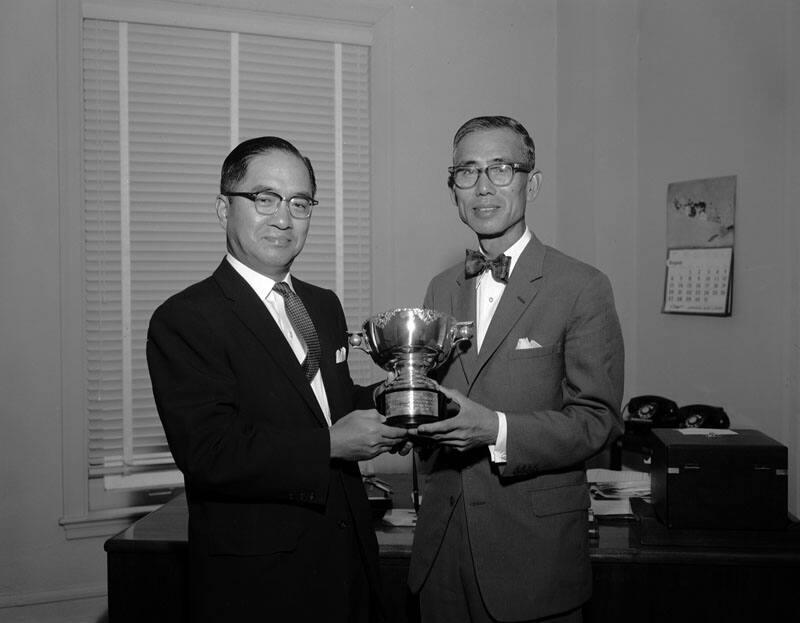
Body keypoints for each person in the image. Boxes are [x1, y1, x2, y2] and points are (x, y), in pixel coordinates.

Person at [147, 136, 408, 623]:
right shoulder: (185, 319)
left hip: (348, 564)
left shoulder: (322, 304)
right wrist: (330, 445)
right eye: (264, 199)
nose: (284, 218)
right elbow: (209, 453)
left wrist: (389, 396)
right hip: (258, 584)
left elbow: (324, 403)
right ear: (224, 208)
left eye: (300, 202)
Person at [407, 116, 625, 622]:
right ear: (452, 189)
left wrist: (495, 431)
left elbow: (599, 420)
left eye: (501, 169)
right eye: (467, 171)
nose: (483, 187)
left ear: (534, 182)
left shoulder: (582, 286)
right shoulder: (441, 288)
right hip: (441, 553)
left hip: (534, 560)